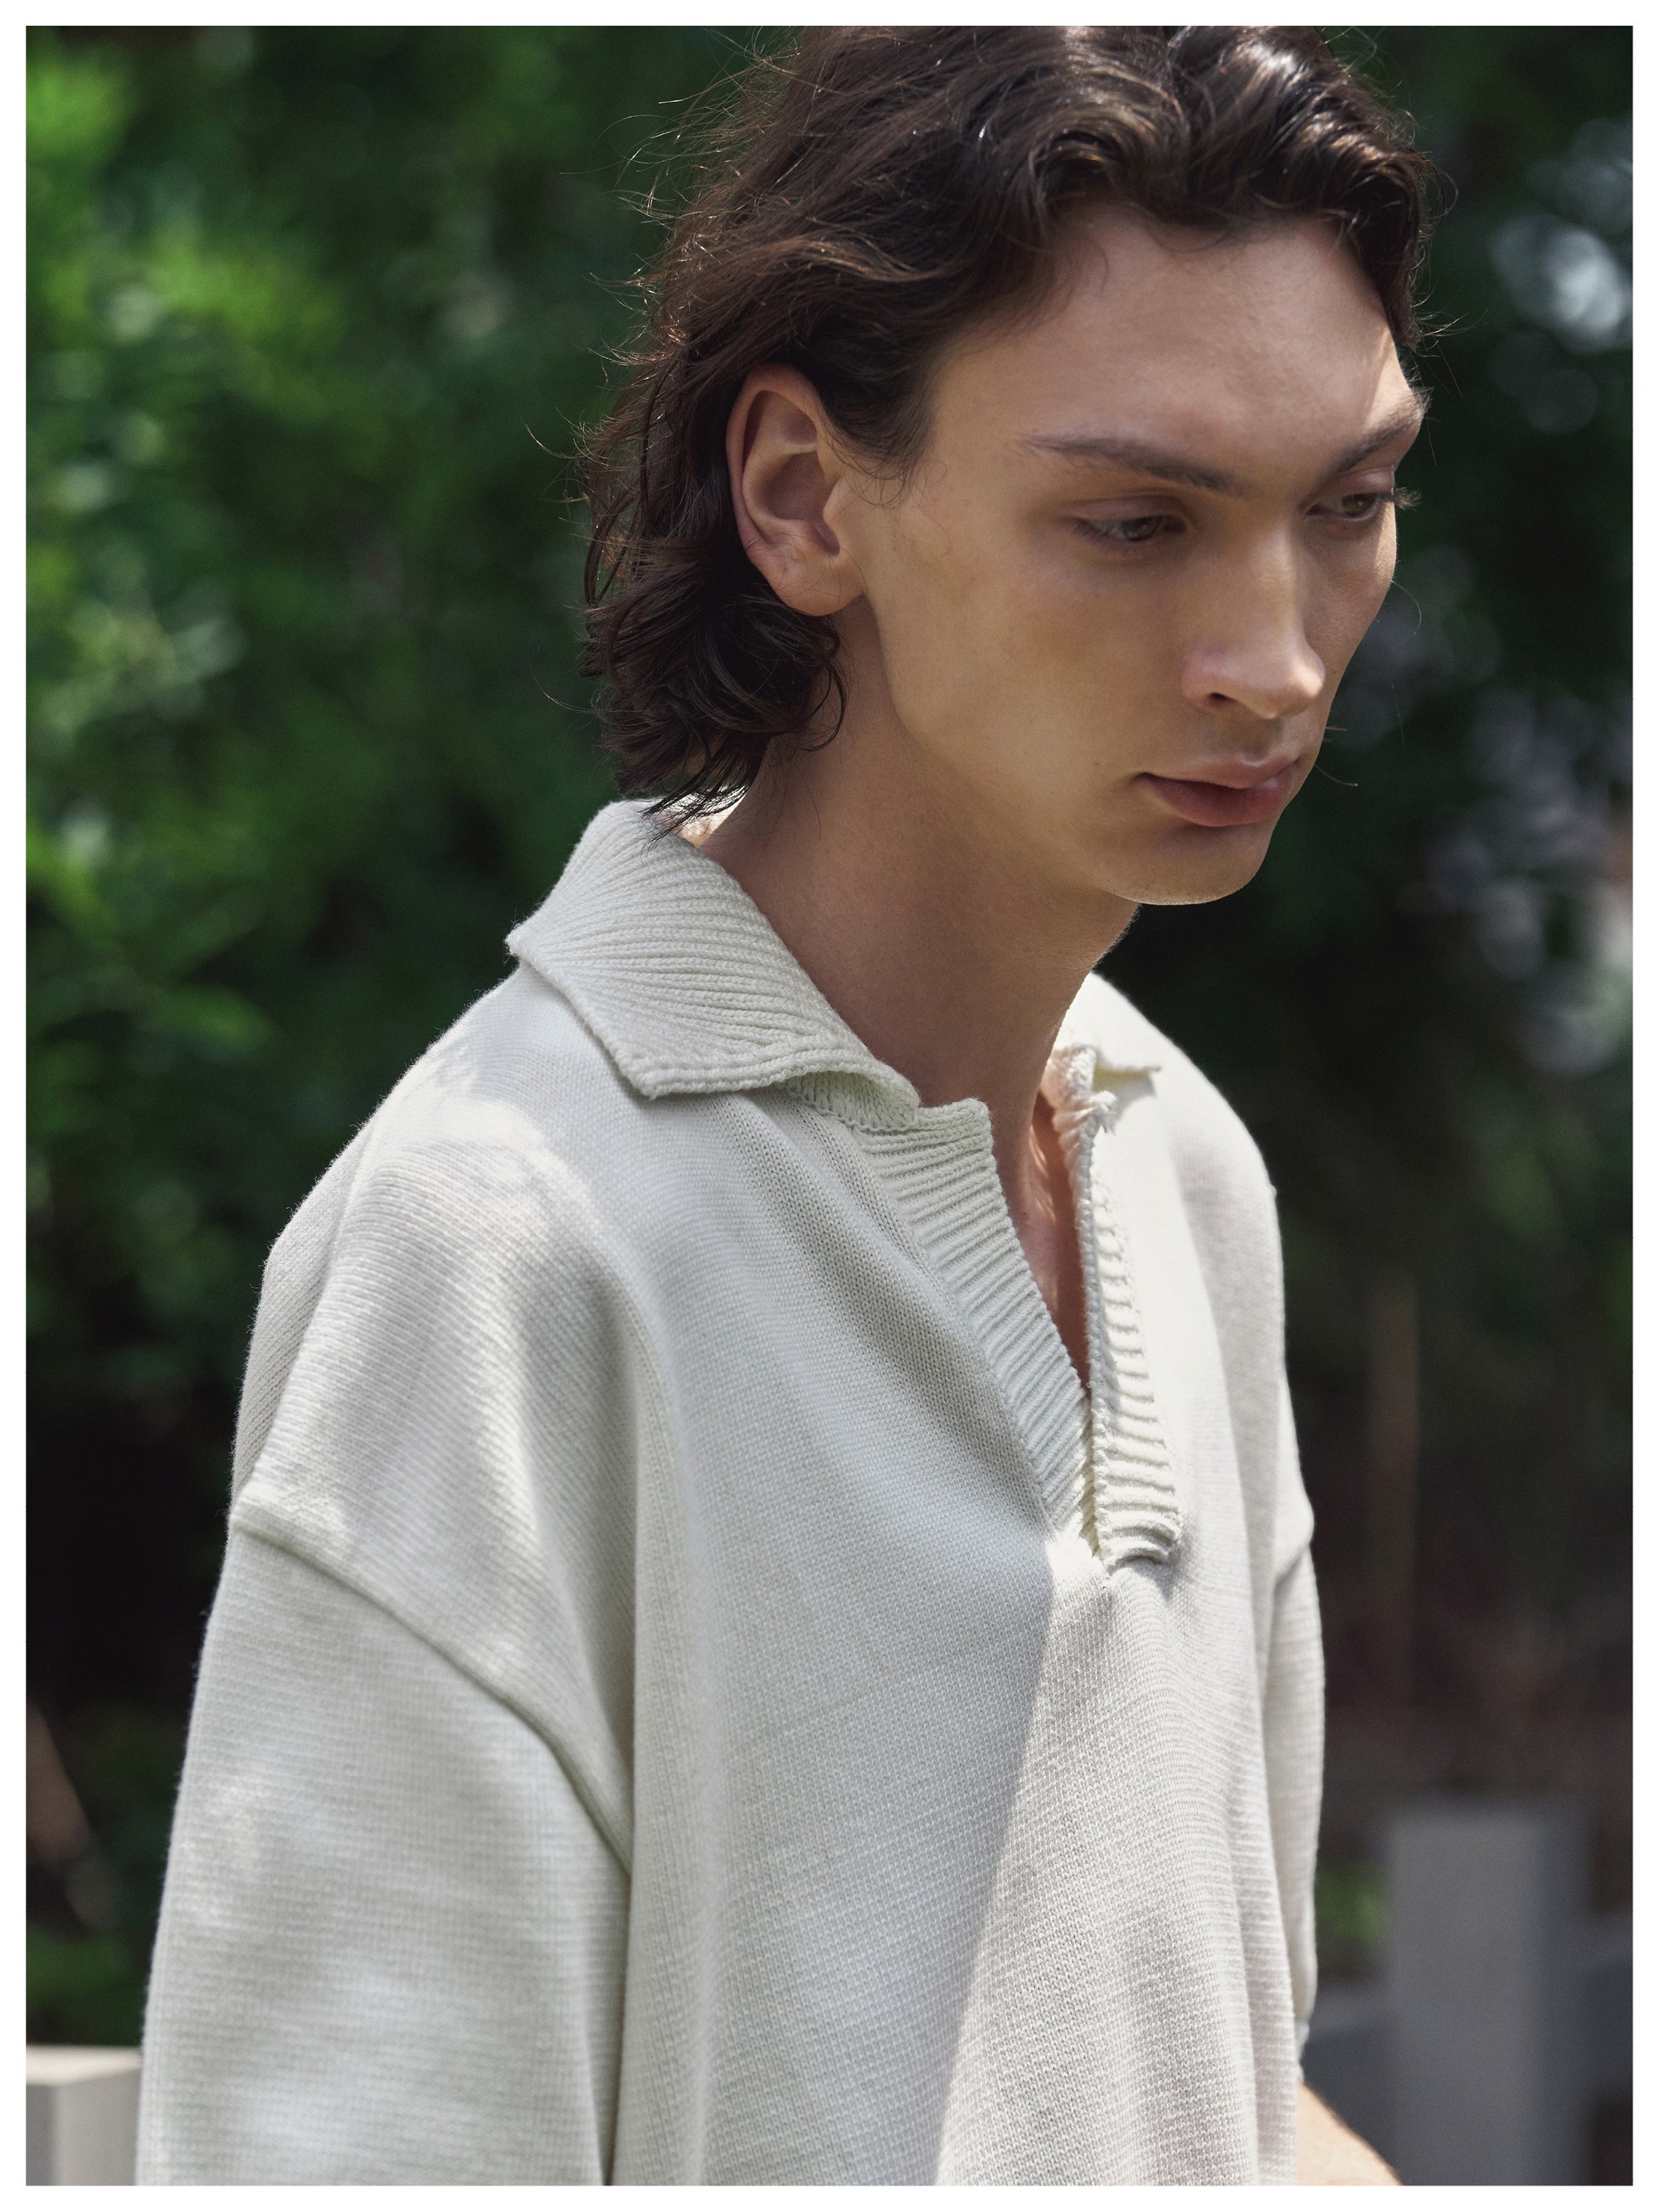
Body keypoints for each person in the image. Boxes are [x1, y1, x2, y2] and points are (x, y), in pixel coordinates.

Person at [137, 26, 1431, 2185]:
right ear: (807, 496)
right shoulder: (494, 1256)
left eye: (1352, 503)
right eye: (1136, 520)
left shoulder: (1185, 1170)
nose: (1279, 656)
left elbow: (1214, 2089)